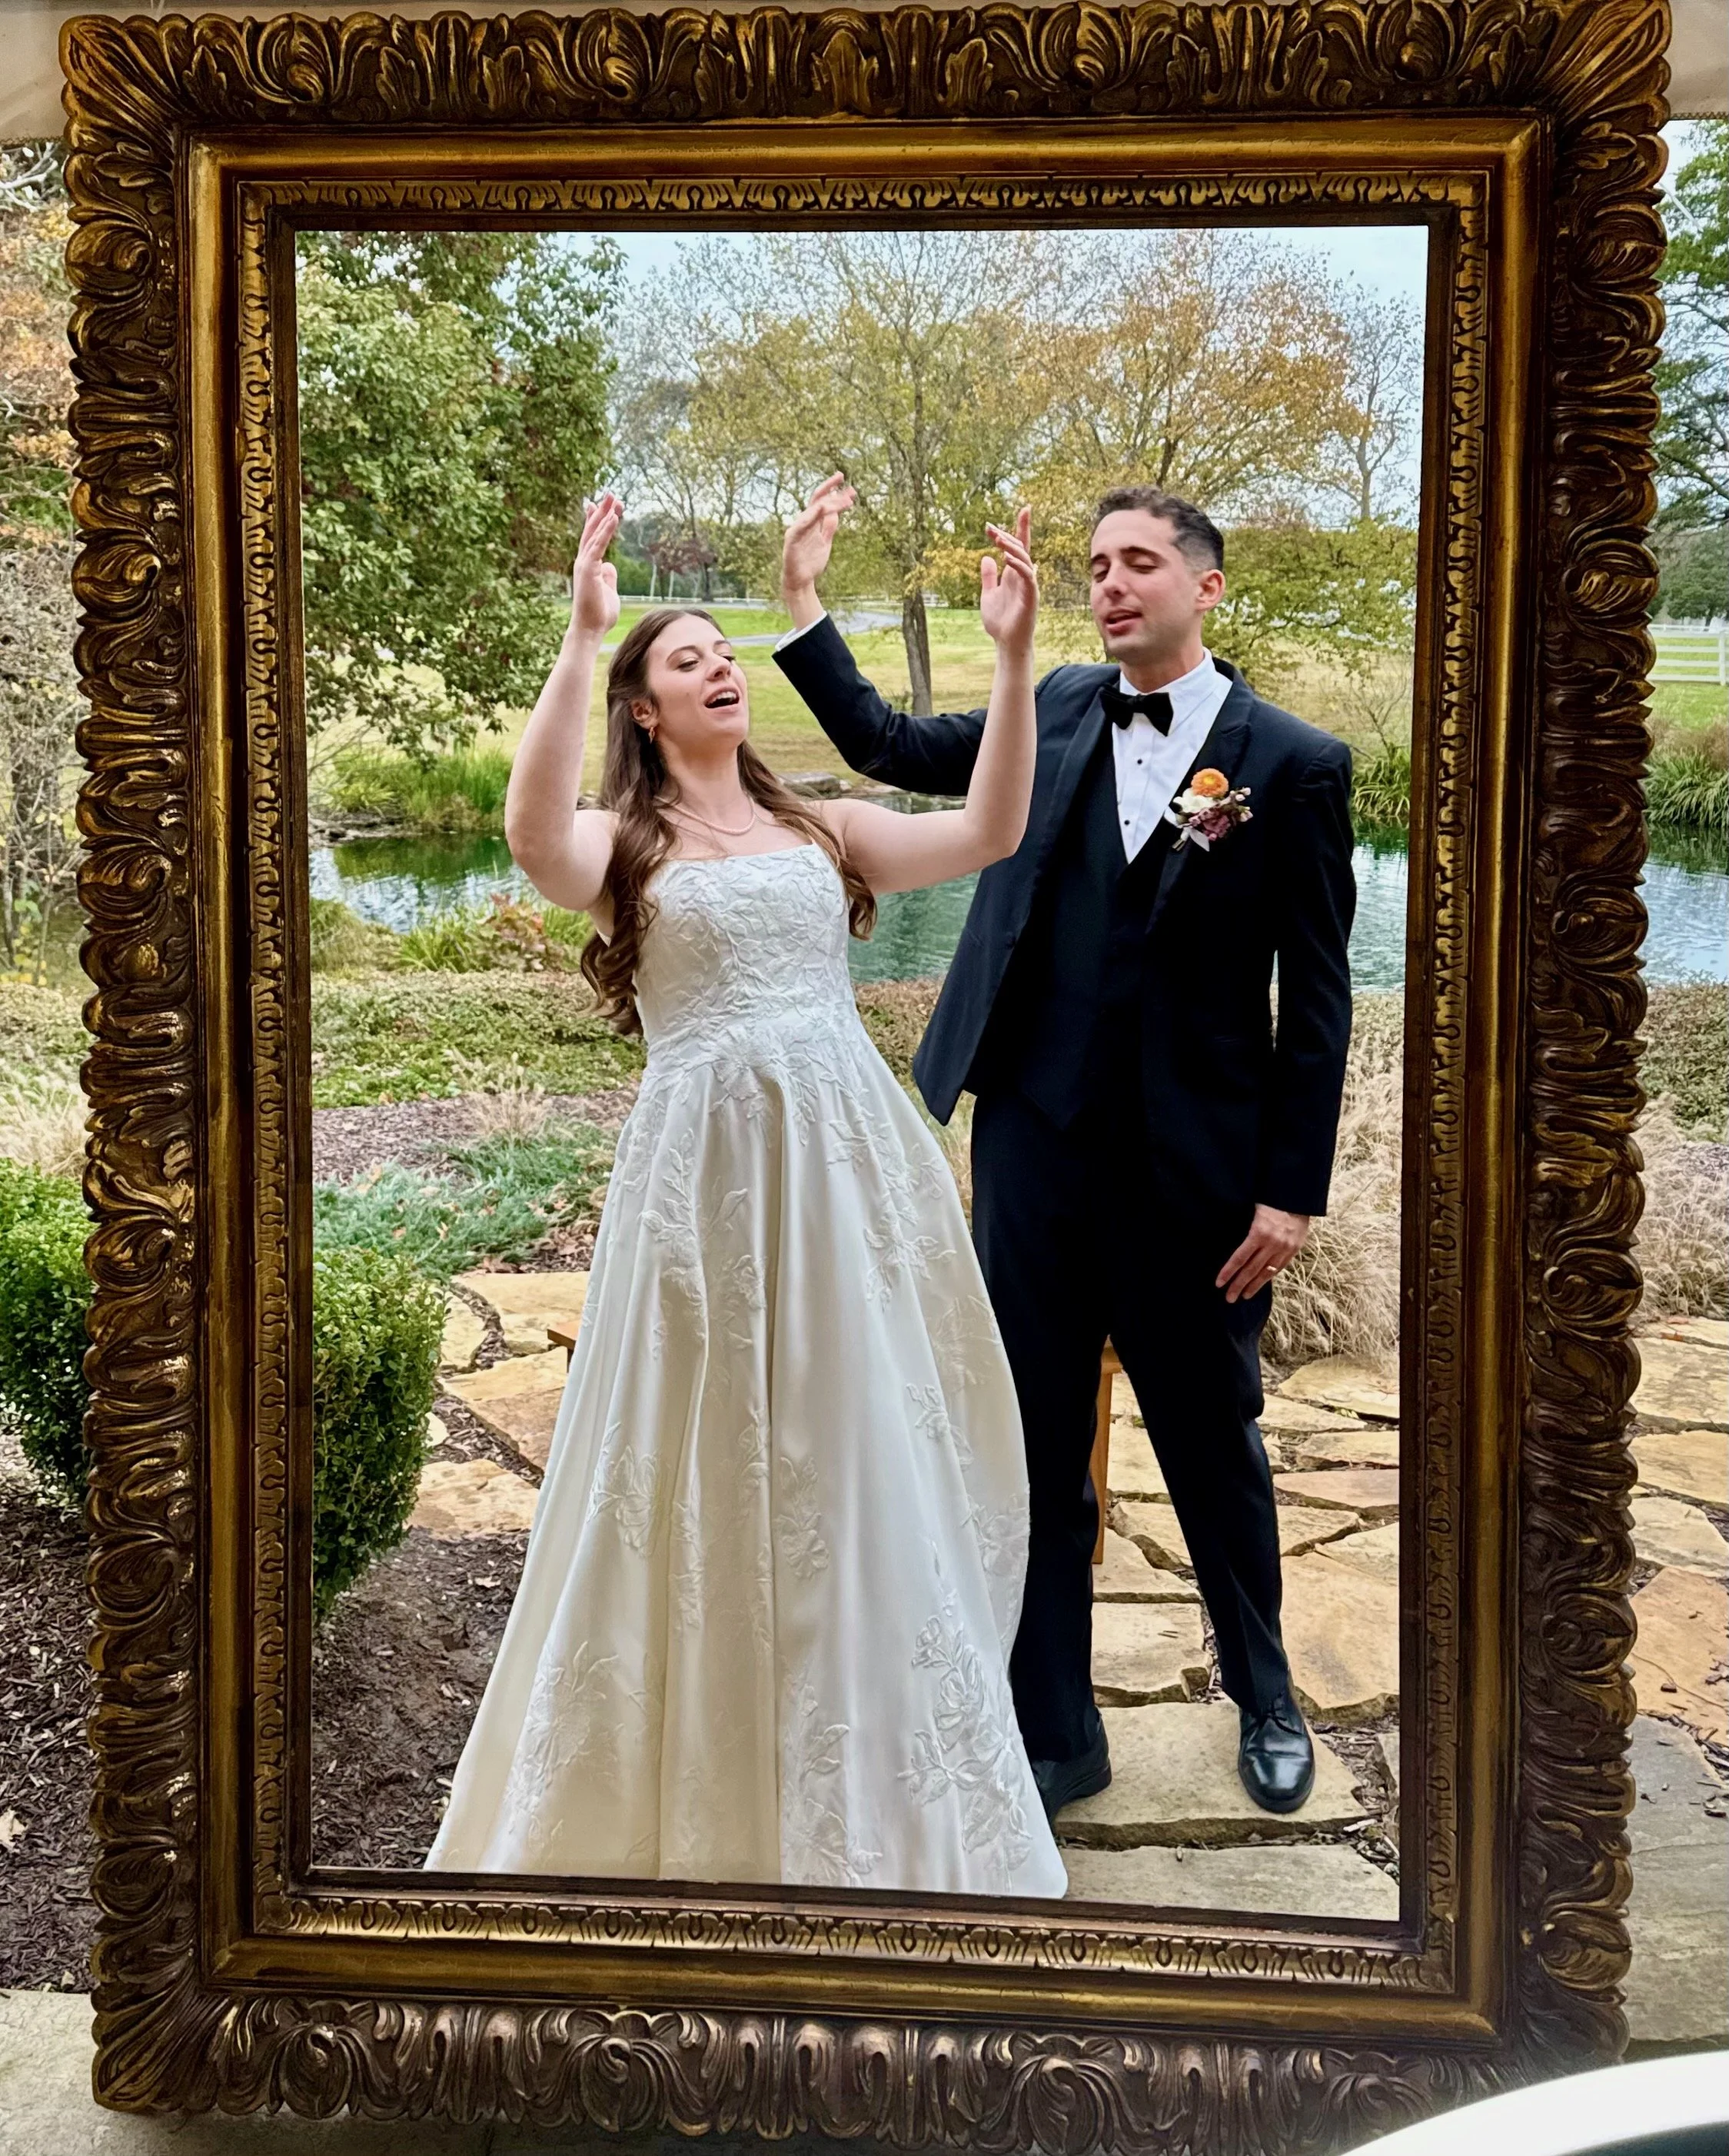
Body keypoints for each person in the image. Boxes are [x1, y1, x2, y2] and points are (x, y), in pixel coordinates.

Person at [424, 492, 1067, 1898]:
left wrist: (1016, 658)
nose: (721, 667)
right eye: (687, 659)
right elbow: (530, 834)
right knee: (706, 1435)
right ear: (645, 710)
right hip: (705, 1175)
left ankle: (873, 1761)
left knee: (854, 1432)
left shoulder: (821, 826)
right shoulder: (622, 845)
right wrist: (581, 635)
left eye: (726, 653)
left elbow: (993, 827)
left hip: (849, 1169)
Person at [773, 477, 1357, 1821]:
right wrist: (804, 600)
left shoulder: (1295, 764)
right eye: (1097, 565)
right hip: (1034, 1149)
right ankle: (1056, 1727)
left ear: (1206, 587)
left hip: (1197, 1175)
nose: (1110, 584)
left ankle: (1265, 1693)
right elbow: (890, 743)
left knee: (1212, 1438)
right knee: (1031, 1441)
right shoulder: (1050, 709)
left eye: (1139, 561)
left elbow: (1318, 1000)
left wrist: (1290, 1191)